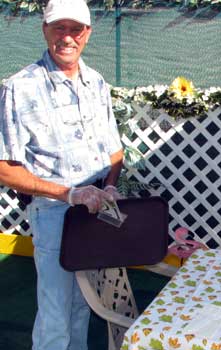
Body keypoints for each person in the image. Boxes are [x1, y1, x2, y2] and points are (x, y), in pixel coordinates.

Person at [0, 0, 124, 349]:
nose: (67, 37)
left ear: (87, 34)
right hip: (54, 214)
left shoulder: (96, 82)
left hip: (96, 212)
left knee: (82, 308)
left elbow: (115, 152)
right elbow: (5, 169)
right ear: (45, 30)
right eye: (59, 28)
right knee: (55, 315)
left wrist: (110, 187)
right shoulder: (19, 87)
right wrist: (68, 194)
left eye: (76, 29)